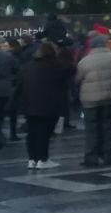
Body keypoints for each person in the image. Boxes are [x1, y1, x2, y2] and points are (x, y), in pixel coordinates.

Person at [20, 40, 75, 170]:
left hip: (29, 104)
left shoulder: (28, 66)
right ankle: (43, 159)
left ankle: (32, 159)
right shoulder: (56, 65)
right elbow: (71, 69)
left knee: (32, 133)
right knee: (44, 133)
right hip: (49, 105)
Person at [74, 37, 111, 167]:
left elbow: (77, 79)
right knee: (108, 126)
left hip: (90, 100)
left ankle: (91, 157)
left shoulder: (84, 61)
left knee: (91, 128)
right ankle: (108, 155)